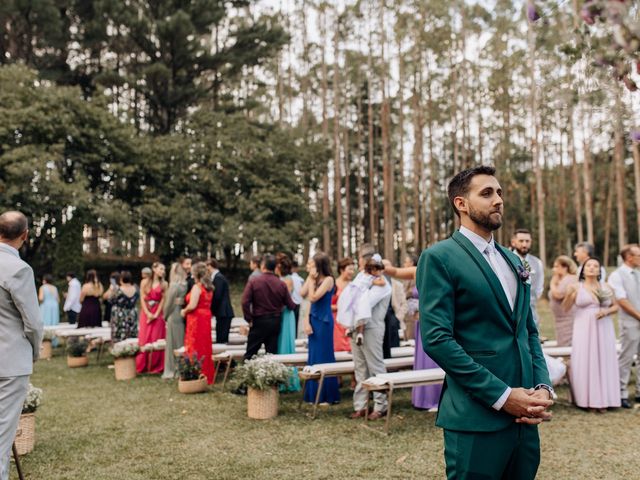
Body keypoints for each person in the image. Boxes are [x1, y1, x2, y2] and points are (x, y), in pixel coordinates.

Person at [418, 166, 553, 479]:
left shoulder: (514, 260)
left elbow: (528, 331)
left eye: (500, 193)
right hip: (475, 418)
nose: (498, 200)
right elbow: (437, 339)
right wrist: (504, 396)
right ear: (461, 204)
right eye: (487, 193)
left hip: (524, 422)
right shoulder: (440, 257)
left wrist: (542, 386)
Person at [0, 211, 43, 480]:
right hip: (10, 362)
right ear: (25, 236)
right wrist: (35, 351)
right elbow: (33, 324)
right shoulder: (19, 269)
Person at [382, 259, 443, 411]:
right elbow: (395, 271)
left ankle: (436, 399)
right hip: (420, 325)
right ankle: (422, 400)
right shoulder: (417, 271)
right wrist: (379, 266)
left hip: (435, 323)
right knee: (422, 359)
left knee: (432, 360)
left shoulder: (442, 273)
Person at [564, 257, 620, 412]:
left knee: (604, 359)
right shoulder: (576, 287)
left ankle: (605, 400)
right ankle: (586, 400)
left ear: (599, 270)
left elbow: (616, 306)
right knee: (585, 359)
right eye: (588, 265)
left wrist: (607, 311)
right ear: (583, 269)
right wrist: (570, 295)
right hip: (583, 327)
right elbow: (565, 308)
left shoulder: (606, 286)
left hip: (604, 327)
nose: (592, 268)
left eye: (596, 265)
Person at [349, 245, 391, 419]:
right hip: (354, 328)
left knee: (376, 367)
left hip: (372, 329)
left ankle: (381, 406)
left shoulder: (382, 284)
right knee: (360, 369)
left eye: (360, 259)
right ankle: (361, 405)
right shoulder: (363, 279)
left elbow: (362, 303)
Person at [302, 252, 340, 405]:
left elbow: (313, 297)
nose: (310, 266)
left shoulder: (329, 280)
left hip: (324, 322)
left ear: (319, 265)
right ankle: (312, 395)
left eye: (312, 264)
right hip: (313, 320)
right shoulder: (313, 279)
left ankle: (327, 395)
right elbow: (302, 293)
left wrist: (312, 280)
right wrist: (309, 278)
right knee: (313, 356)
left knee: (324, 356)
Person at [242, 254, 297, 360]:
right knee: (271, 356)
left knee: (250, 354)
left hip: (258, 321)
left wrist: (248, 318)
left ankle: (246, 375)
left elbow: (245, 301)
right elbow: (290, 304)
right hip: (275, 322)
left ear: (263, 266)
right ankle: (270, 376)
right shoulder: (281, 284)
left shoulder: (254, 281)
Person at [607, 244, 640, 409]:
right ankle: (621, 394)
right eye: (638, 255)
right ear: (629, 257)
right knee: (627, 358)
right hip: (629, 323)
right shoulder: (616, 275)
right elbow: (621, 300)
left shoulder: (639, 274)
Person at [336, 254, 386, 346]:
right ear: (373, 270)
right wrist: (381, 276)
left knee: (353, 312)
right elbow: (382, 283)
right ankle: (360, 333)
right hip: (360, 297)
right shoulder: (371, 278)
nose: (380, 272)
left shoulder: (361, 274)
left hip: (352, 294)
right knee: (361, 314)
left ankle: (350, 329)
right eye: (379, 270)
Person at [181, 262, 215, 384]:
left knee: (194, 344)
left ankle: (195, 373)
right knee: (204, 345)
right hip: (205, 317)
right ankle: (205, 373)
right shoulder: (209, 288)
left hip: (196, 319)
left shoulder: (197, 287)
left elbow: (193, 305)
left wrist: (184, 311)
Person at [275, 253, 301, 392]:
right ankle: (278, 378)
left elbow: (285, 299)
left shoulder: (288, 279)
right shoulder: (277, 278)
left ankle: (288, 381)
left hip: (286, 313)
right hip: (278, 313)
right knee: (279, 344)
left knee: (286, 344)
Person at [136, 262, 167, 374]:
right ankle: (142, 365)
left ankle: (156, 366)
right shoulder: (144, 282)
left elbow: (163, 300)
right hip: (146, 312)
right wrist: (148, 313)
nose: (162, 271)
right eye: (160, 269)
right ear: (154, 269)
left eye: (163, 270)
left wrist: (156, 314)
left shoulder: (164, 284)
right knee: (145, 338)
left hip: (158, 313)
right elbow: (142, 299)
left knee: (156, 338)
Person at [511, 229, 545, 325]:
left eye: (527, 241)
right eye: (521, 241)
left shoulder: (537, 263)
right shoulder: (505, 259)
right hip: (511, 313)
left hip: (531, 313)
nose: (524, 245)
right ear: (513, 242)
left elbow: (539, 289)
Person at [162, 263, 188, 379]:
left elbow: (169, 303)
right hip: (182, 312)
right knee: (180, 340)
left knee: (172, 341)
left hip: (174, 313)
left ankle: (171, 369)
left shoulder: (174, 285)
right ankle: (181, 366)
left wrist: (165, 315)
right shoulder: (185, 284)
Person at [548, 255, 579, 346]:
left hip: (568, 318)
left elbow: (558, 294)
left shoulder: (571, 278)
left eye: (556, 266)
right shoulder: (560, 279)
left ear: (565, 267)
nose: (554, 269)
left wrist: (552, 283)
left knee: (567, 343)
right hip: (559, 319)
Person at [104, 270, 139, 342]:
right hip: (132, 313)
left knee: (120, 334)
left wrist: (111, 290)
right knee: (131, 333)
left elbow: (109, 299)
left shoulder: (118, 290)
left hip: (120, 314)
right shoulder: (136, 289)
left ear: (121, 279)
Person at [206, 258, 234, 344]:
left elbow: (217, 296)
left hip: (223, 312)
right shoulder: (218, 277)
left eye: (207, 267)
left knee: (222, 340)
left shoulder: (218, 278)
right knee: (221, 338)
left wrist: (211, 310)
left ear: (210, 266)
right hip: (222, 313)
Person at [331, 258, 355, 352]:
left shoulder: (353, 285)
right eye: (350, 269)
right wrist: (340, 307)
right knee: (337, 347)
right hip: (336, 322)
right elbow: (327, 305)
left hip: (349, 322)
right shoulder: (333, 284)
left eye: (353, 269)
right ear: (341, 269)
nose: (352, 272)